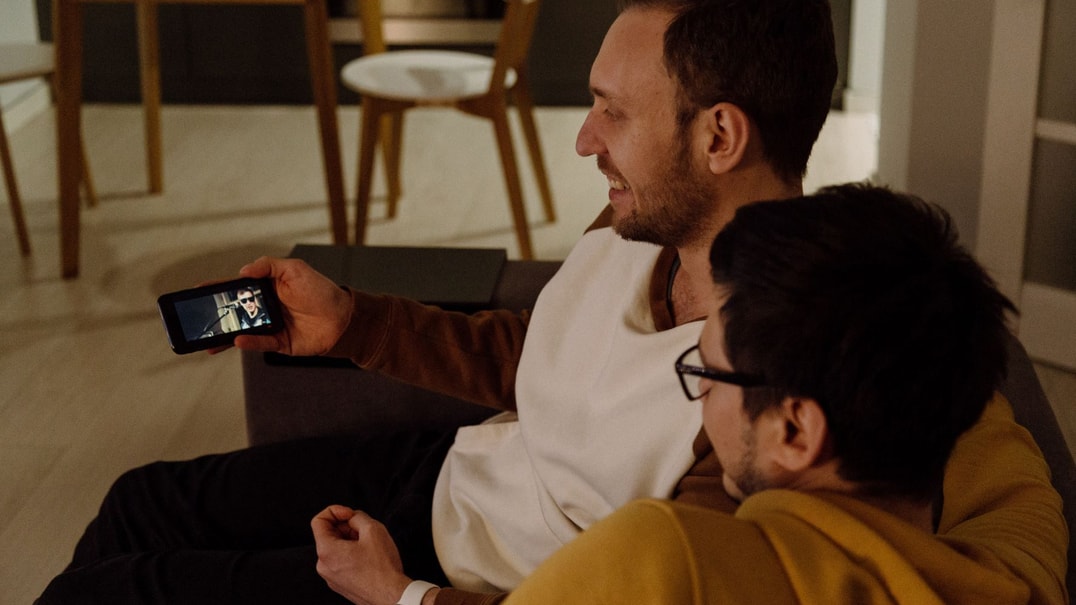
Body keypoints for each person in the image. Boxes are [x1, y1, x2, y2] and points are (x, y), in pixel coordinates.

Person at [37, 1, 1066, 604]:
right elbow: (539, 356)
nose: (582, 138)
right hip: (461, 467)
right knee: (139, 498)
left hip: (467, 570)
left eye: (612, 112)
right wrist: (351, 324)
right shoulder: (633, 227)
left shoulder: (775, 387)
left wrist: (406, 593)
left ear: (717, 136)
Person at [500, 183, 1033, 604]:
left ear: (796, 431)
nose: (700, 392)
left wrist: (412, 596)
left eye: (709, 371)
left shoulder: (667, 560)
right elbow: (995, 436)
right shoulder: (1015, 570)